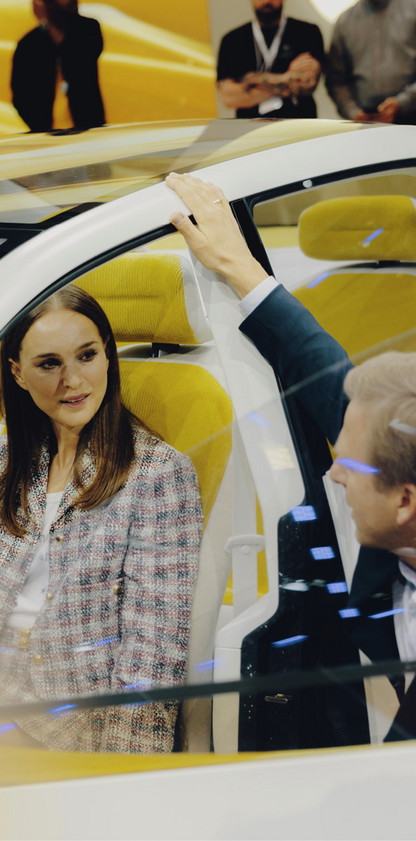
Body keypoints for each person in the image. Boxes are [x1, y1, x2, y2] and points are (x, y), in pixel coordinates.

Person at [0, 284, 202, 753]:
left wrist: (124, 773)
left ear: (107, 355)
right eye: (49, 364)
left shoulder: (158, 474)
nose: (72, 380)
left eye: (87, 356)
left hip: (71, 721)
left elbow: (152, 653)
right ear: (18, 373)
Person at [165, 171, 416, 741]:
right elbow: (322, 367)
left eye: (351, 466)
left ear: (404, 501)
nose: (334, 472)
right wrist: (238, 265)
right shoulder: (398, 457)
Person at [326, 0, 416, 124]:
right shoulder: (345, 21)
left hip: (411, 124)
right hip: (364, 127)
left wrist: (402, 102)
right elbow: (336, 79)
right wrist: (352, 111)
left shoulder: (413, 9)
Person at [216, 0, 325, 119]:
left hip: (299, 125)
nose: (267, 0)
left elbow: (306, 84)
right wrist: (286, 78)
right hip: (250, 129)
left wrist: (250, 83)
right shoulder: (232, 41)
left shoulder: (307, 33)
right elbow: (229, 98)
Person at [10, 0, 106, 133]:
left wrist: (50, 28)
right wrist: (38, 124)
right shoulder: (29, 46)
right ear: (48, 2)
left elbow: (78, 63)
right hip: (46, 138)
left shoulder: (88, 29)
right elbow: (20, 96)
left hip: (90, 133)